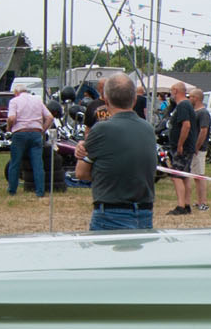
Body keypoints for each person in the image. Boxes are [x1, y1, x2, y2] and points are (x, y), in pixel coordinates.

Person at [75, 72, 158, 231]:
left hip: (111, 214)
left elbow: (81, 173)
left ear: (105, 99)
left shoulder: (101, 129)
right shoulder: (148, 129)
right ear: (134, 100)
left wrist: (83, 152)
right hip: (144, 213)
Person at [6, 86, 50, 198]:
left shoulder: (14, 101)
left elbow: (11, 118)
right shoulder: (37, 100)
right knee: (38, 164)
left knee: (15, 163)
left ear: (16, 93)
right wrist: (42, 130)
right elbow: (50, 117)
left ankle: (12, 190)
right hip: (36, 133)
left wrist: (9, 128)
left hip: (20, 133)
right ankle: (40, 191)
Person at [164, 81, 196, 215]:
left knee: (176, 176)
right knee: (185, 176)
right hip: (187, 146)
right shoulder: (186, 105)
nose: (170, 94)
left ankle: (181, 205)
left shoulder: (183, 105)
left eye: (171, 91)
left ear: (176, 91)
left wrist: (180, 144)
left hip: (183, 147)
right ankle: (187, 203)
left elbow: (186, 125)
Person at [189, 87, 211, 211]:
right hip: (195, 148)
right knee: (196, 176)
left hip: (200, 149)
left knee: (200, 176)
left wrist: (196, 147)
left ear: (196, 98)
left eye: (191, 97)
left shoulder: (203, 113)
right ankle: (198, 201)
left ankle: (203, 202)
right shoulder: (195, 112)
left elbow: (203, 131)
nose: (189, 99)